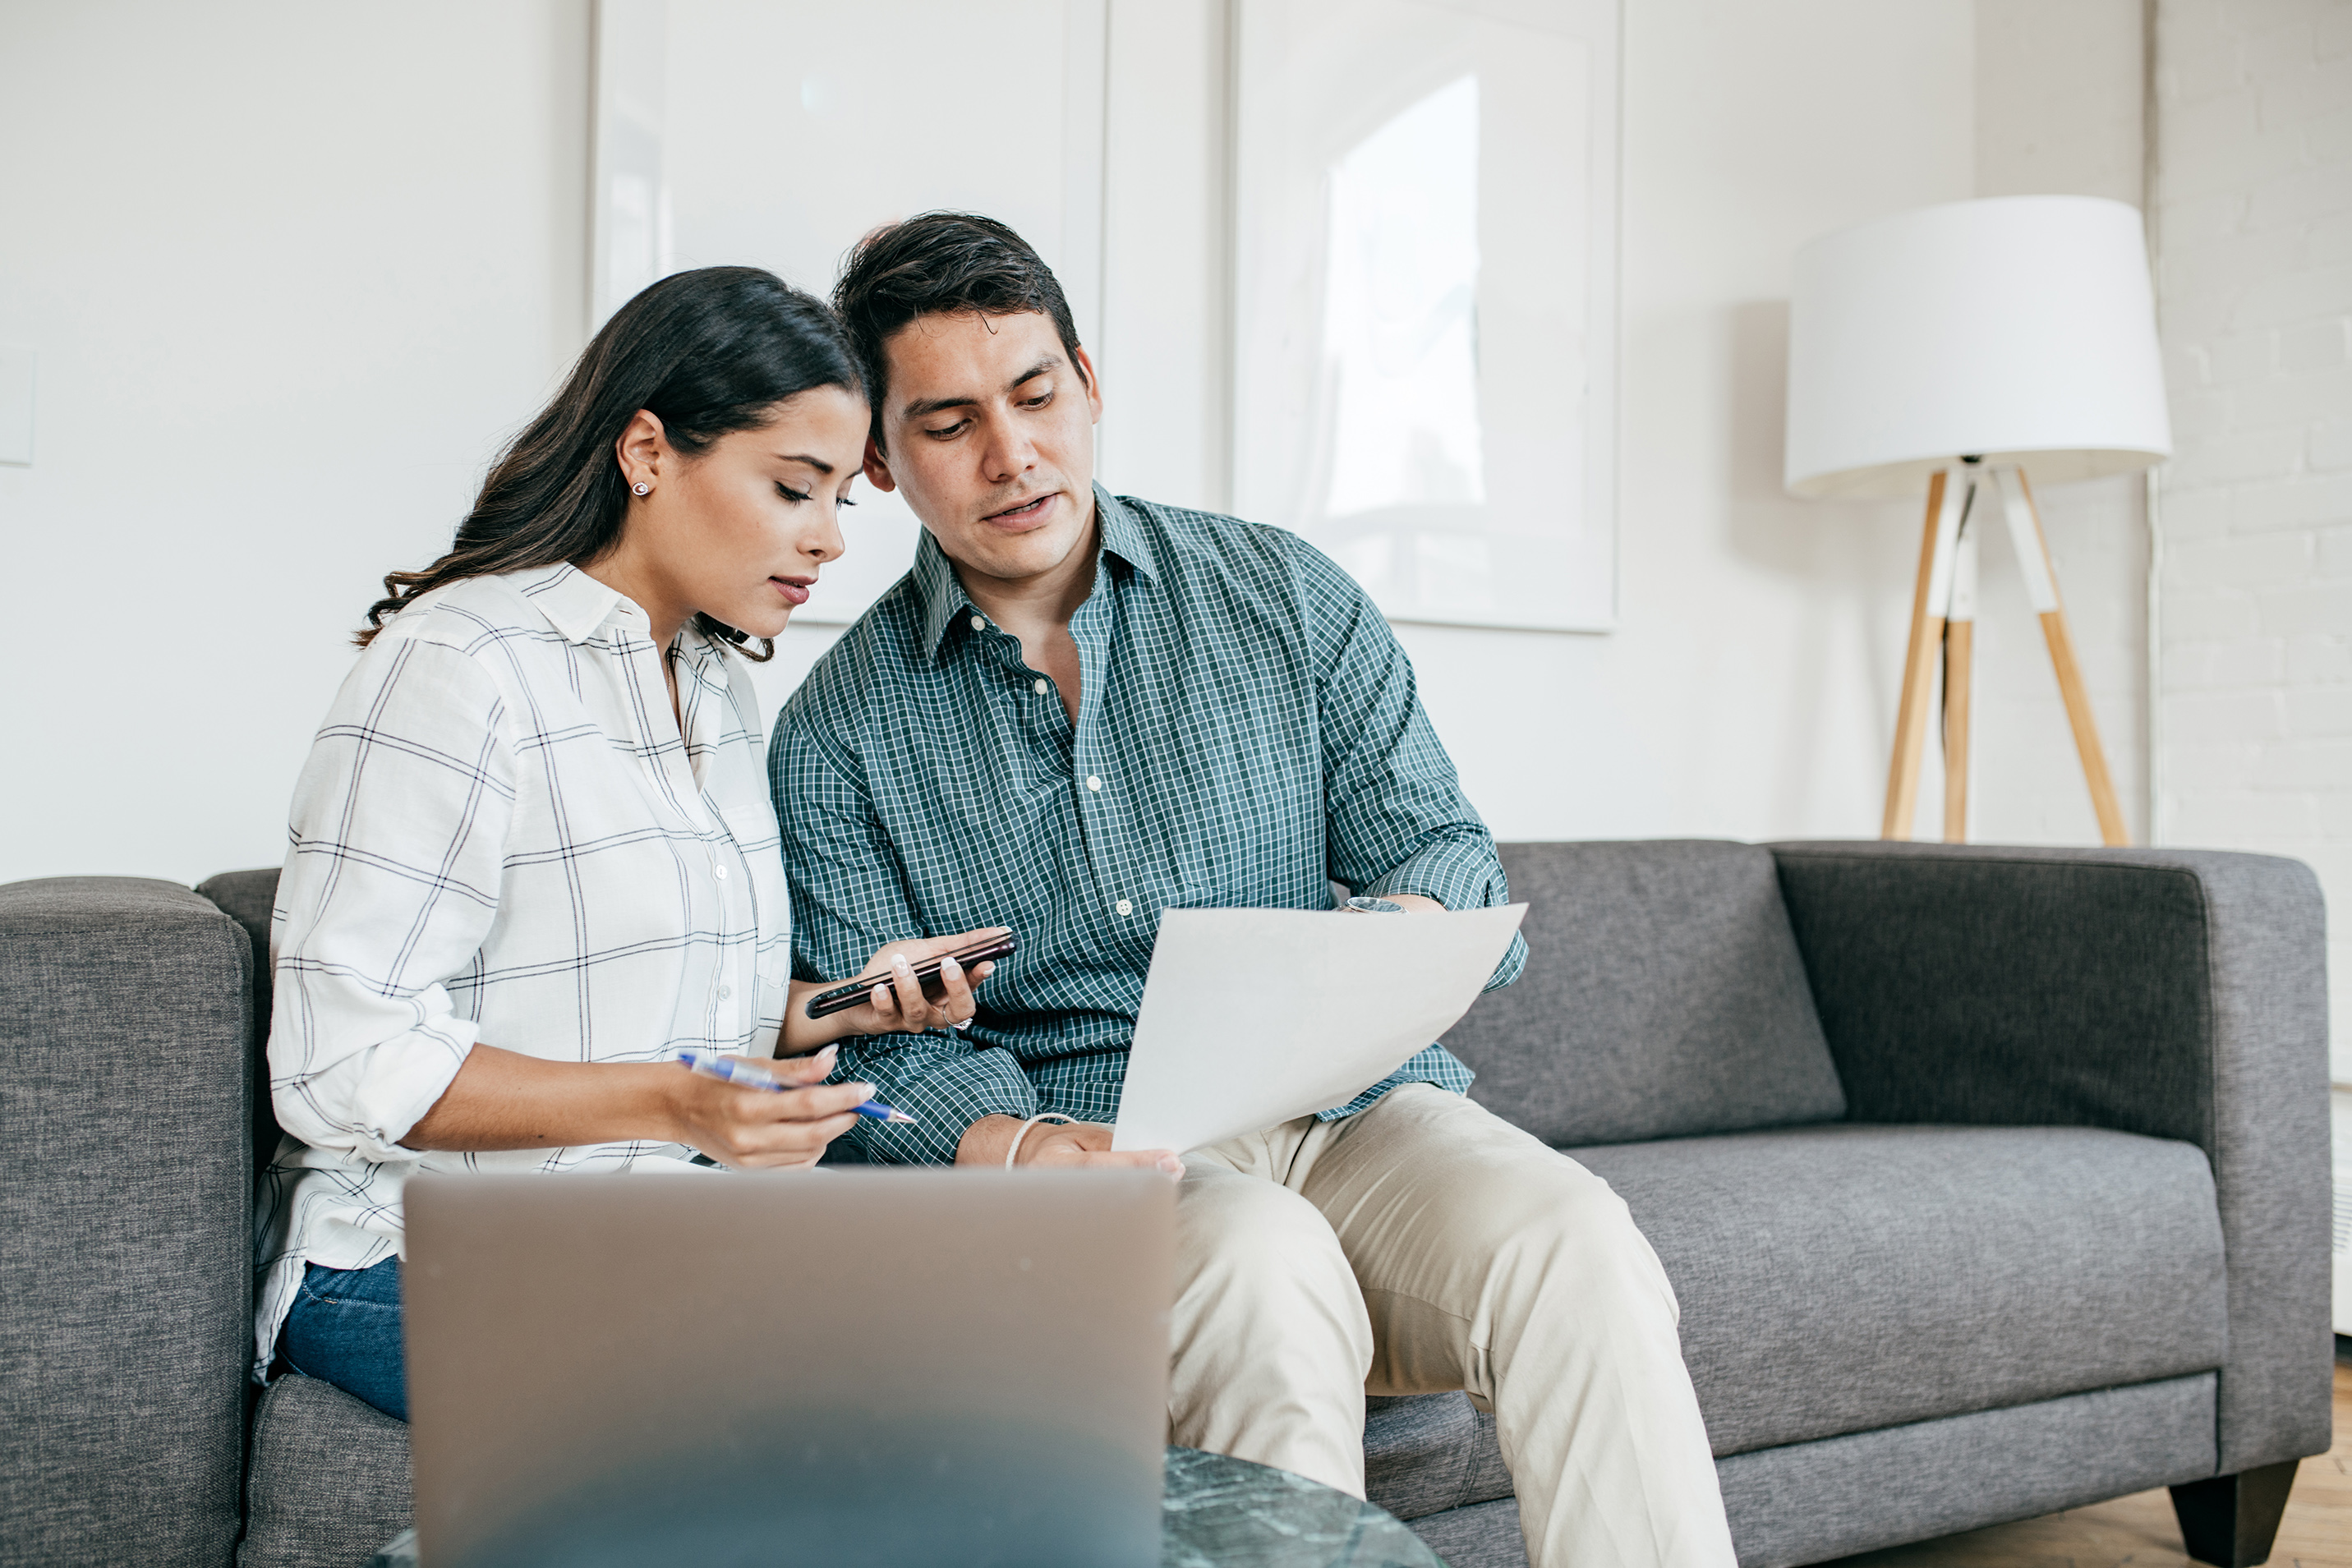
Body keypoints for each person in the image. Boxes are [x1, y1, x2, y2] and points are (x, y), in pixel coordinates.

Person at [769, 214, 1738, 1568]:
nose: (1013, 454)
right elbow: (860, 1082)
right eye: (948, 423)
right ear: (879, 457)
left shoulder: (1282, 594)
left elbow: (1447, 856)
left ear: (1089, 381)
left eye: (1037, 395)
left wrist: (1378, 949)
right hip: (1095, 1155)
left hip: (1350, 1112)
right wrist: (999, 1130)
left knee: (1576, 1238)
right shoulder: (835, 733)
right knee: (1266, 1268)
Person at [254, 266, 1004, 1421]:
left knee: (997, 1337)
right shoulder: (459, 668)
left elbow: (671, 1020)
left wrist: (843, 1006)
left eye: (838, 504)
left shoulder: (711, 685)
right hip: (412, 1257)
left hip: (652, 1229)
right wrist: (674, 1106)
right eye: (794, 488)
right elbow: (342, 1062)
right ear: (648, 452)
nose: (827, 541)